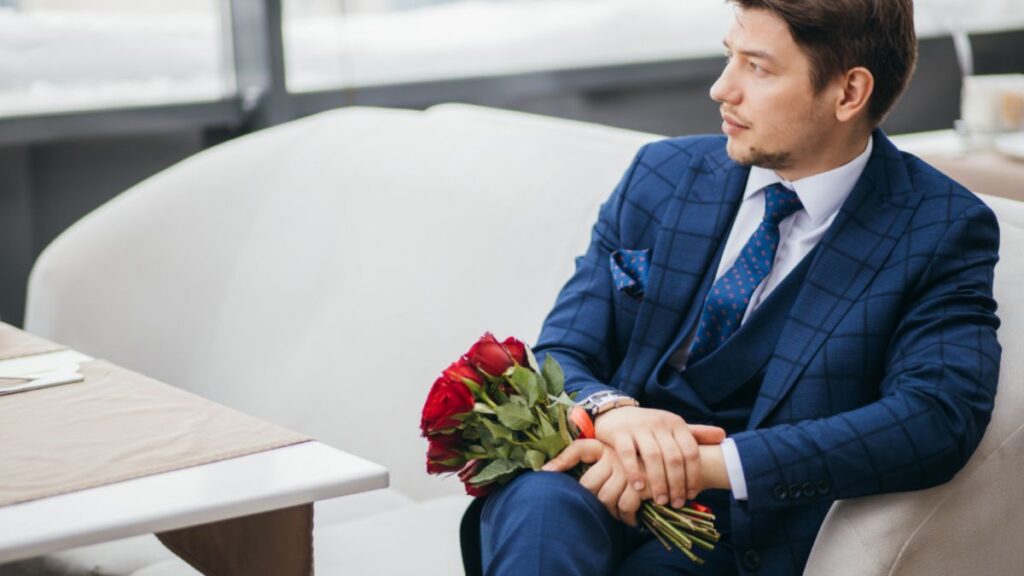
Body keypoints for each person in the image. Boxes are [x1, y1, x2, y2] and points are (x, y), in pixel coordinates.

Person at [472, 0, 1002, 574]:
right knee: (539, 503)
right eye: (731, 57)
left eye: (759, 67)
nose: (722, 89)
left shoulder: (938, 228)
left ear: (849, 93)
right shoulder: (661, 174)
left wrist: (705, 464)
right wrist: (614, 414)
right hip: (595, 476)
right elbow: (563, 349)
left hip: (738, 533)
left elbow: (934, 420)